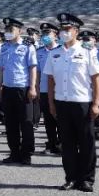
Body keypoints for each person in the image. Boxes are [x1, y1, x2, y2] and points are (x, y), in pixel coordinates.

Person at [43, 13, 99, 192]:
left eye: (68, 29)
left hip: (82, 103)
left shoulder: (87, 51)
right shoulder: (54, 53)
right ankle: (71, 178)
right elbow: (51, 80)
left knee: (86, 143)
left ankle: (87, 179)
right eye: (62, 29)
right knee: (67, 144)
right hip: (62, 103)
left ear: (76, 31)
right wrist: (52, 104)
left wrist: (96, 103)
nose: (64, 33)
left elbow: (96, 79)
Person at [0, 17, 38, 165]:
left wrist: (32, 87)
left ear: (19, 31)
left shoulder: (28, 46)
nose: (8, 32)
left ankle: (26, 154)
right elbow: (1, 68)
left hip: (23, 88)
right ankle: (14, 152)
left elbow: (32, 68)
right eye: (6, 30)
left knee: (26, 122)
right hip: (8, 89)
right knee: (10, 123)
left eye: (11, 30)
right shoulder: (4, 47)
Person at [36, 23, 62, 155]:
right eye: (44, 34)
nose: (45, 36)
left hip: (60, 91)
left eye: (48, 33)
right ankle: (52, 144)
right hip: (45, 90)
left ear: (55, 35)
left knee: (61, 119)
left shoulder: (61, 50)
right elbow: (38, 72)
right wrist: (36, 88)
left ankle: (64, 143)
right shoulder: (39, 52)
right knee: (48, 120)